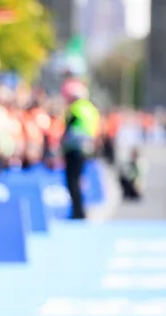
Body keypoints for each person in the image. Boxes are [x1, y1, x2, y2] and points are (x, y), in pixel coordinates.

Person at [61, 78, 100, 219]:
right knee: (79, 180)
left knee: (73, 181)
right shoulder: (91, 109)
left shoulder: (75, 108)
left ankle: (77, 212)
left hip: (74, 148)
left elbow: (68, 127)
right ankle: (80, 210)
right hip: (87, 147)